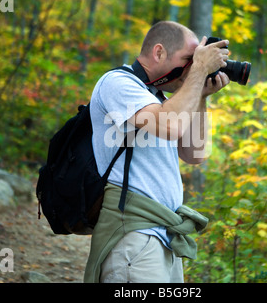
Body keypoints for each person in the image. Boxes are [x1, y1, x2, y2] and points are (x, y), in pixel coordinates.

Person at [84, 21, 230, 283]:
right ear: (159, 52)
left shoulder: (160, 100)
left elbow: (195, 153)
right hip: (133, 233)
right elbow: (170, 126)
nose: (191, 67)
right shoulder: (117, 82)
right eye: (188, 59)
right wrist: (198, 70)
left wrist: (201, 96)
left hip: (162, 234)